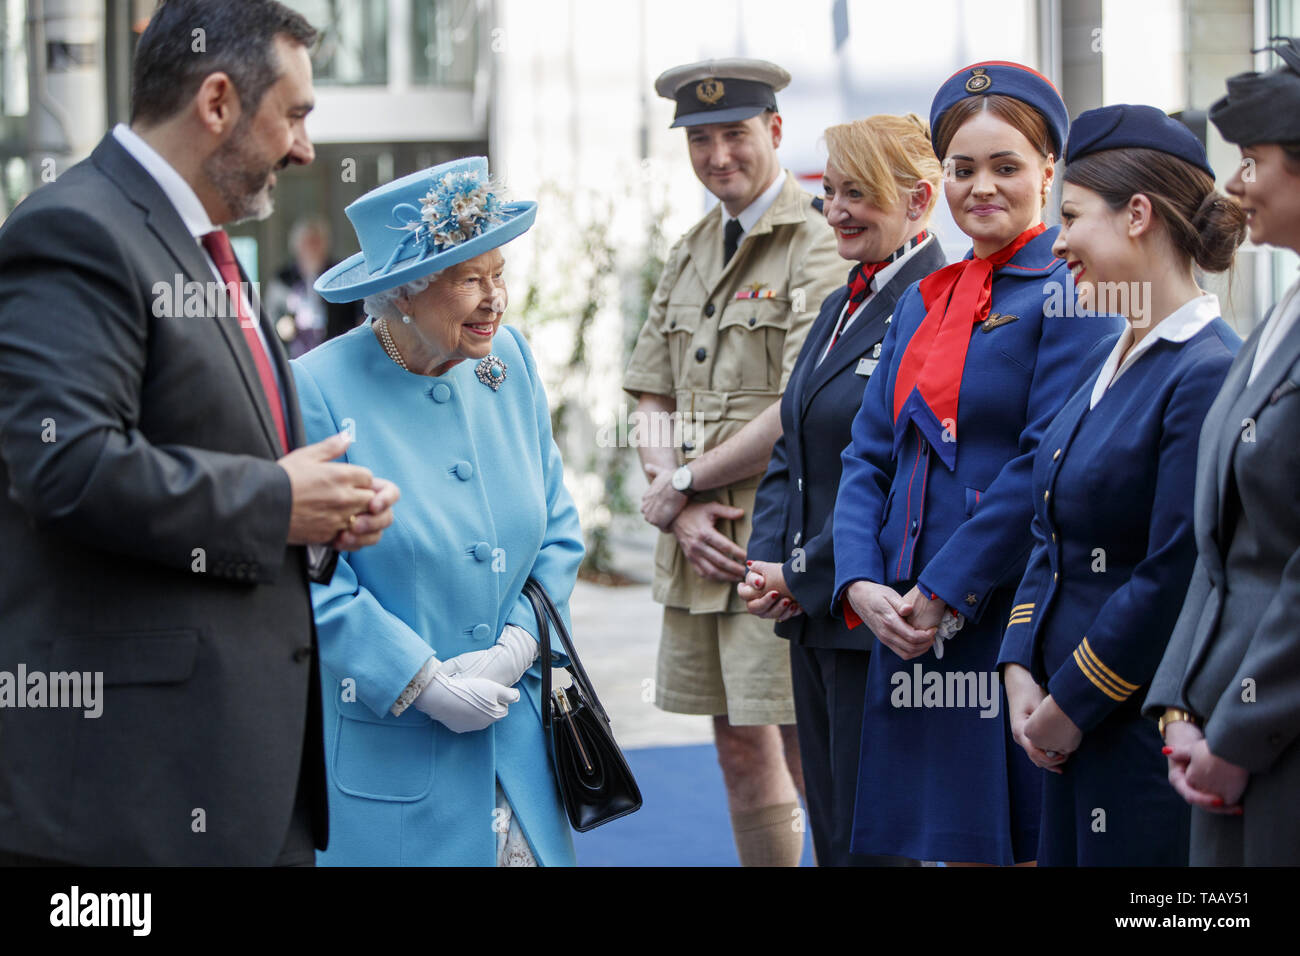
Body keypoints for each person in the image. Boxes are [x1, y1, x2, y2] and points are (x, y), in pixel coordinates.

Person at [0, 0, 400, 866]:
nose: (305, 149)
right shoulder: (76, 231)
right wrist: (278, 501)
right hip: (130, 803)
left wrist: (321, 518)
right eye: (294, 114)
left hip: (239, 789)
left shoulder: (201, 249)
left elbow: (223, 466)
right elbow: (65, 466)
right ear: (217, 101)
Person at [831, 61, 1124, 865]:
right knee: (948, 844)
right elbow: (869, 450)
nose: (980, 187)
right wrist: (861, 579)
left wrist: (942, 590)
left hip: (1004, 608)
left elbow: (1044, 462)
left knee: (1023, 842)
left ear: (1048, 173)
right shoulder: (925, 297)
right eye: (962, 169)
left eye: (1005, 167)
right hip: (907, 615)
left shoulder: (1074, 291)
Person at [296, 156, 584, 866]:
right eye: (469, 280)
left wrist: (519, 646)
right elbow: (311, 575)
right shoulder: (316, 387)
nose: (496, 300)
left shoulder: (506, 361)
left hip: (519, 749)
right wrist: (417, 680)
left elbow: (557, 527)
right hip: (392, 755)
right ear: (402, 293)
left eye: (498, 273)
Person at [998, 104, 1244, 866]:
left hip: (1137, 728)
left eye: (1071, 215)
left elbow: (1173, 571)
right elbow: (1051, 531)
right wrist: (1017, 666)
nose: (1059, 240)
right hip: (1066, 725)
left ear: (1138, 214)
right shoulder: (1114, 358)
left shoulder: (1203, 370)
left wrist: (1072, 700)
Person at [624, 57, 847, 866]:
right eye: (701, 139)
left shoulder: (817, 239)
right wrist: (673, 501)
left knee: (803, 748)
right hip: (701, 541)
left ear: (776, 132)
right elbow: (649, 393)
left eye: (737, 134)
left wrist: (685, 482)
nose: (719, 154)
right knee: (735, 746)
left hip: (776, 542)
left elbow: (798, 403)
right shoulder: (689, 250)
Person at [742, 113, 946, 867]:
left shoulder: (939, 301)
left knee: (876, 844)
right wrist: (766, 564)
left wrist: (800, 574)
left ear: (919, 201)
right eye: (830, 192)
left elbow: (902, 475)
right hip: (814, 611)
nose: (836, 212)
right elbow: (792, 446)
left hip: (875, 611)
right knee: (833, 834)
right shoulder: (840, 304)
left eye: (857, 194)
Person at [1144, 36, 1300, 866]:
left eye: (1255, 158)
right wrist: (1180, 706)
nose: (1237, 183)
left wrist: (1237, 734)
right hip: (1217, 735)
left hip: (1273, 741)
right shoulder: (1280, 319)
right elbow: (1220, 548)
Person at [265, 217, 364, 358]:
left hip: (336, 349)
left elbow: (357, 311)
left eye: (316, 242)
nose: (312, 248)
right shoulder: (283, 278)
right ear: (296, 246)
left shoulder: (339, 275)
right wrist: (282, 326)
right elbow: (272, 315)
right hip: (296, 352)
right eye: (307, 243)